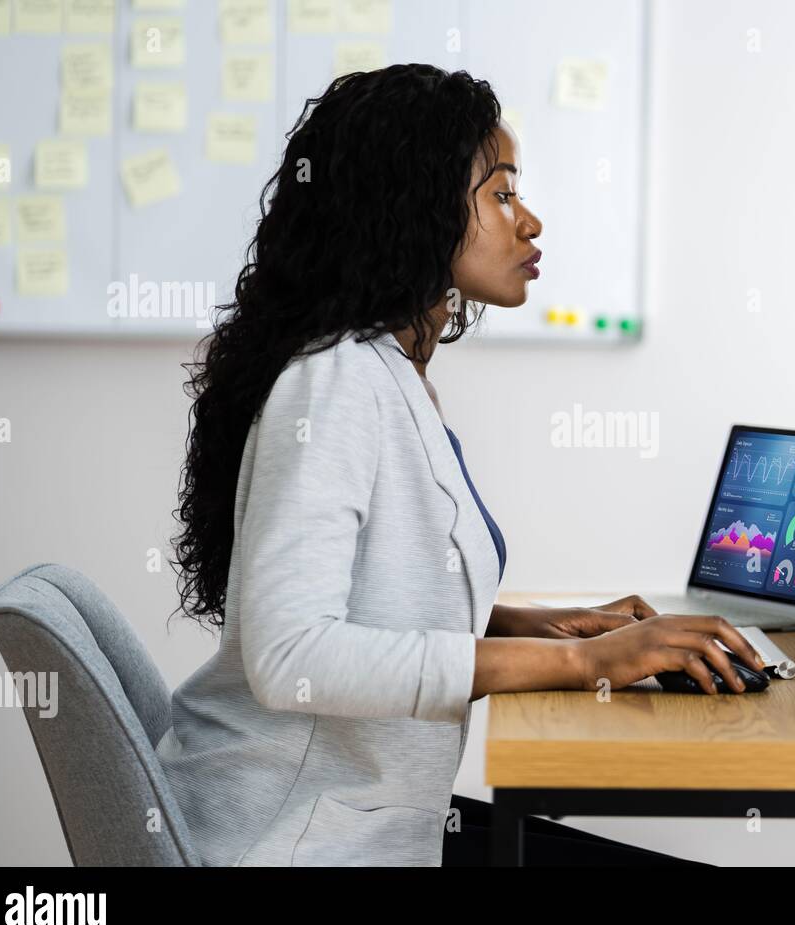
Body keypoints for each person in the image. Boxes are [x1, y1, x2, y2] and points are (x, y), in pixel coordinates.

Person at [163, 64, 761, 867]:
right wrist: (579, 663)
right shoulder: (336, 384)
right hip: (287, 839)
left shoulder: (387, 372)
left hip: (359, 819)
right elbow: (292, 656)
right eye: (502, 195)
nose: (531, 222)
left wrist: (539, 626)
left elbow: (379, 595)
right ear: (414, 210)